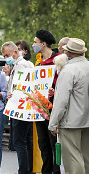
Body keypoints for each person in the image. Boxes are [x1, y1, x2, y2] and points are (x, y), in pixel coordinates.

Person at [48, 38, 89, 174]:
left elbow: (61, 100)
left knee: (73, 159)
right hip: (87, 120)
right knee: (86, 158)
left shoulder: (68, 70)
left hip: (71, 122)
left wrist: (53, 123)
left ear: (69, 53)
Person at [1, 41, 34, 174]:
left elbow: (22, 87)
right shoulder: (24, 64)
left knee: (20, 142)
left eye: (7, 55)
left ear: (15, 52)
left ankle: (24, 170)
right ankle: (28, 169)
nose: (6, 58)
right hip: (25, 107)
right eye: (3, 56)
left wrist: (13, 93)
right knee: (26, 141)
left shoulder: (21, 65)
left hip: (20, 108)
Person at [32, 30, 60, 174]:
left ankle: (57, 171)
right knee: (43, 145)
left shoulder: (59, 60)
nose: (33, 45)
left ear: (43, 44)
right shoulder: (39, 64)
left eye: (35, 42)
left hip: (54, 109)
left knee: (54, 144)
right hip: (40, 110)